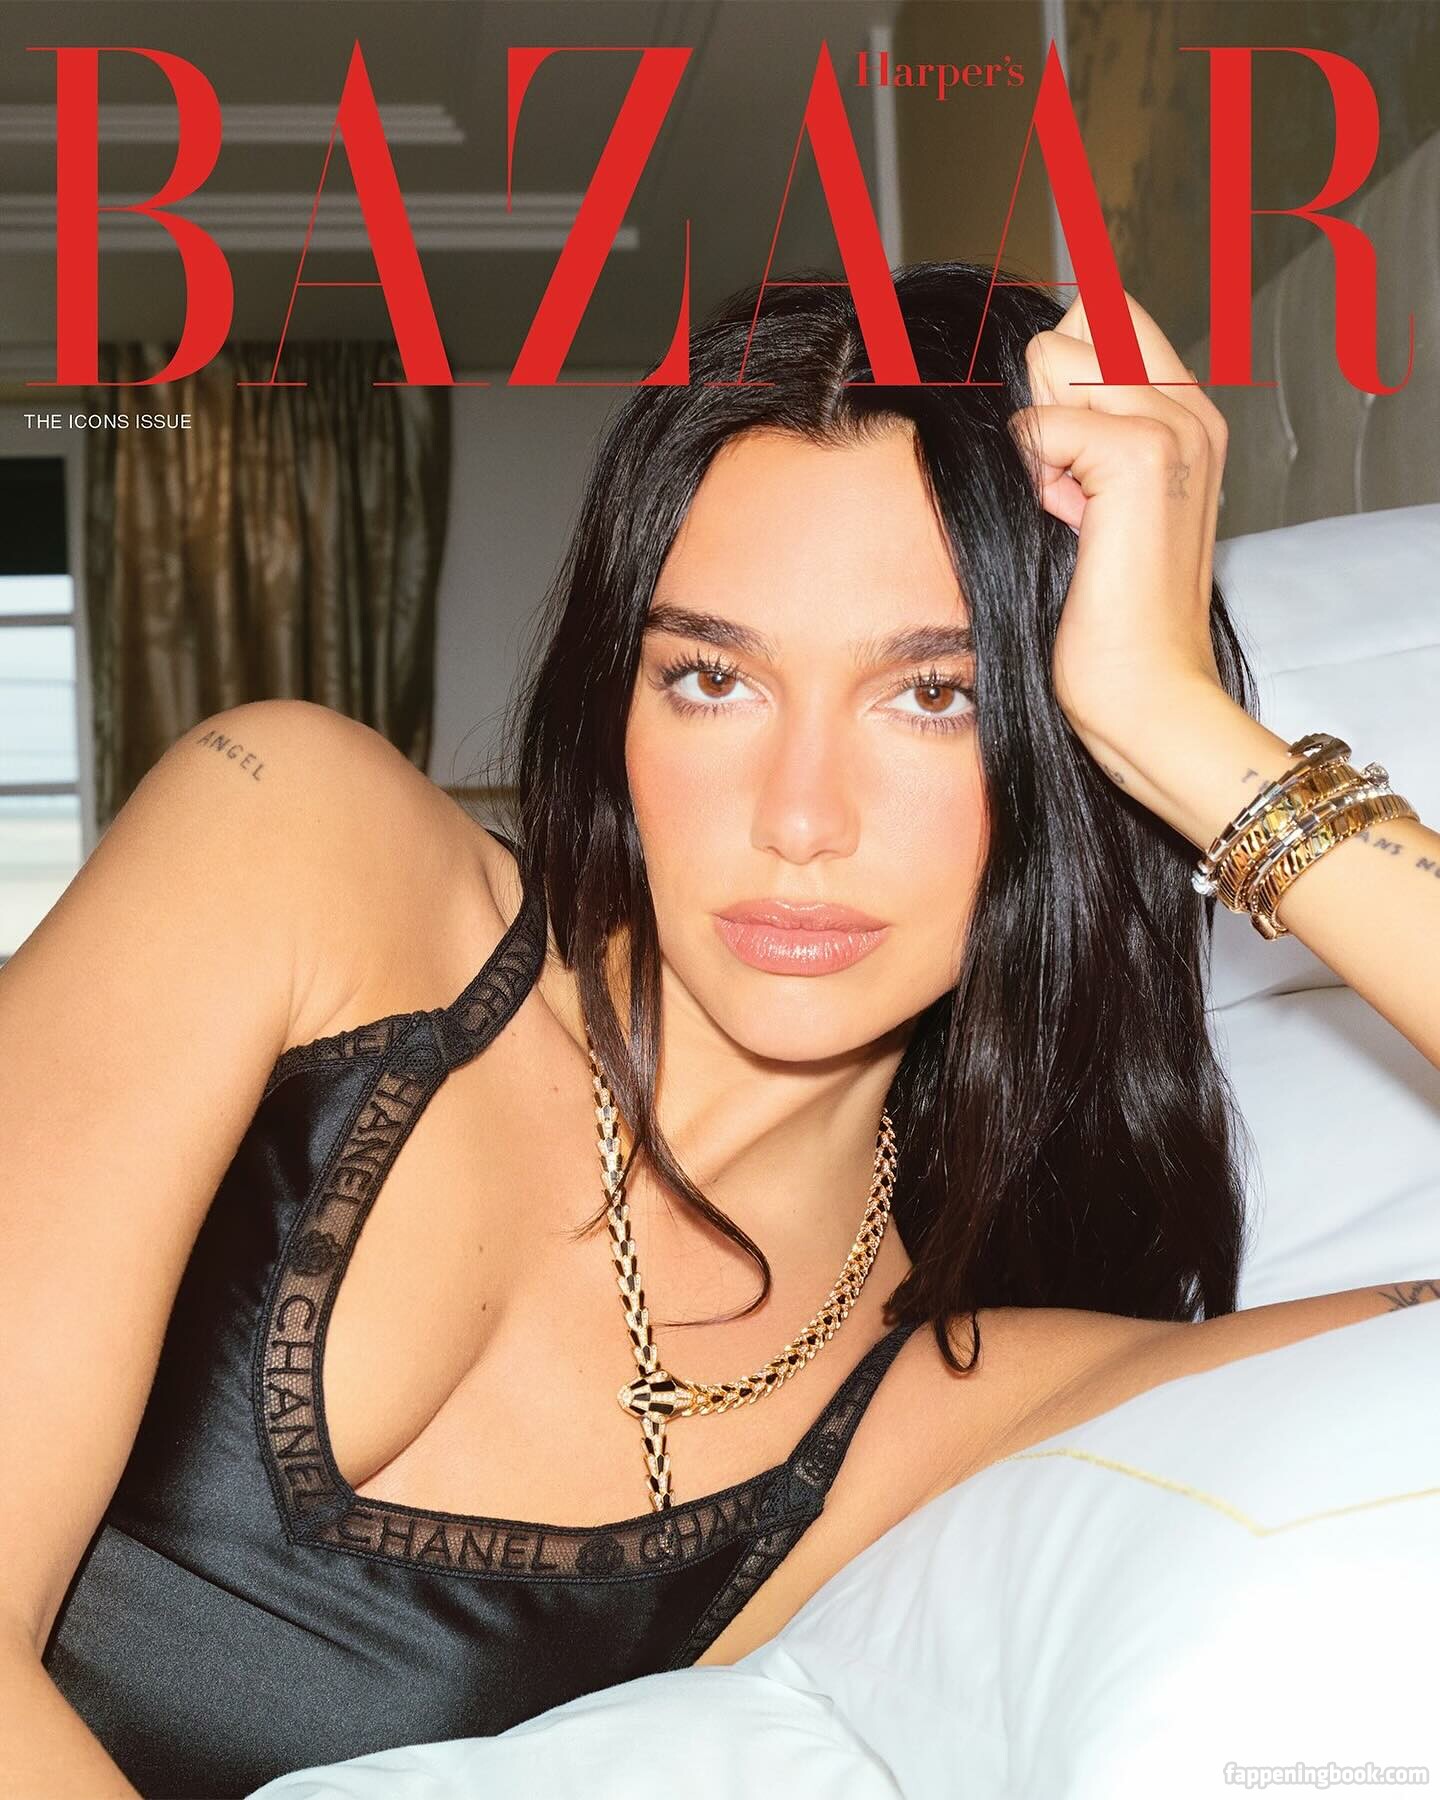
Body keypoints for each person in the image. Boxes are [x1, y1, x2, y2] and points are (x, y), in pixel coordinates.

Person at [2, 263, 1436, 1800]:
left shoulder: (946, 1406)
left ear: (1062, 748)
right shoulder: (299, 845)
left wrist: (1176, 723)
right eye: (711, 678)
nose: (799, 819)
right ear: (616, 713)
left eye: (935, 696)